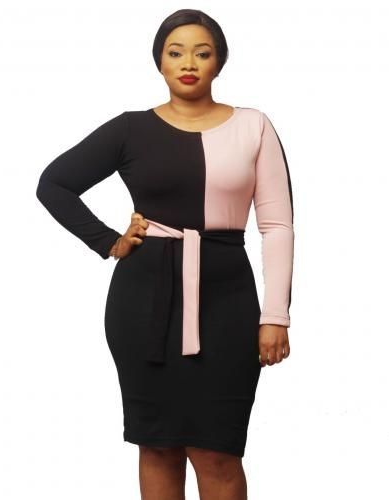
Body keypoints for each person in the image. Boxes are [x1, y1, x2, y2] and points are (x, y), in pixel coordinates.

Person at [36, 8, 294, 500]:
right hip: (144, 302)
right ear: (159, 62)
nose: (188, 63)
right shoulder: (130, 129)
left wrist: (275, 315)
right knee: (157, 447)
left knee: (217, 452)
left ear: (219, 62)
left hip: (227, 301)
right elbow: (55, 184)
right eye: (175, 53)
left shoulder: (254, 125)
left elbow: (277, 225)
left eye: (202, 52)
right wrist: (108, 240)